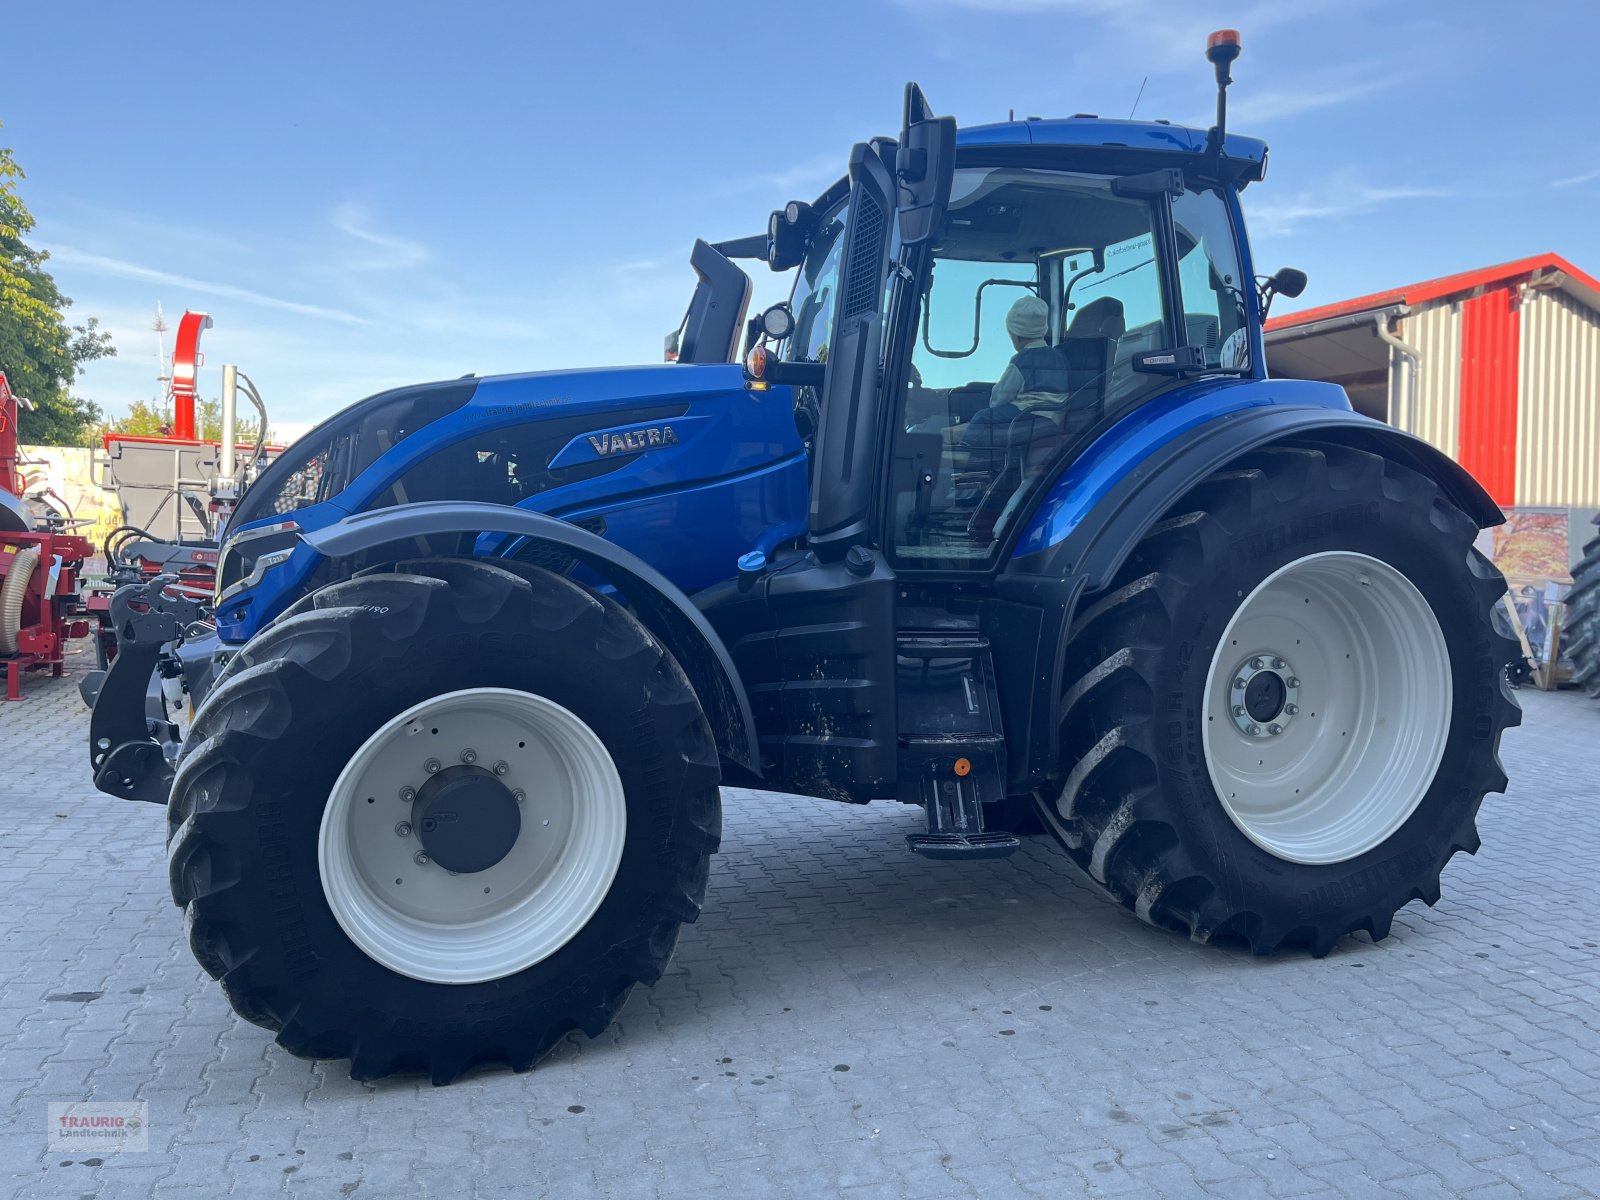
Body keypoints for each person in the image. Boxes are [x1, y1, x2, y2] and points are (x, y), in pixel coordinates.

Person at [961, 294, 1068, 453]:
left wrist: (994, 407)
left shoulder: (1022, 360)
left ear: (1016, 336)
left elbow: (1001, 396)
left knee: (981, 417)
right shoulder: (1059, 355)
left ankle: (966, 450)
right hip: (1055, 414)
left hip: (1027, 413)